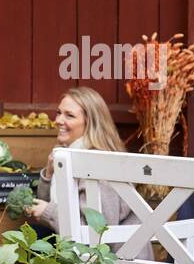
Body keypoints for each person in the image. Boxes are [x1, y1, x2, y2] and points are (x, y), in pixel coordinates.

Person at [28, 86, 140, 233]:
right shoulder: (70, 154)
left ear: (90, 123)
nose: (59, 120)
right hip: (80, 248)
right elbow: (49, 205)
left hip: (118, 254)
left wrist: (48, 213)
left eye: (69, 115)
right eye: (59, 113)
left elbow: (98, 232)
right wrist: (49, 175)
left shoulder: (99, 164)